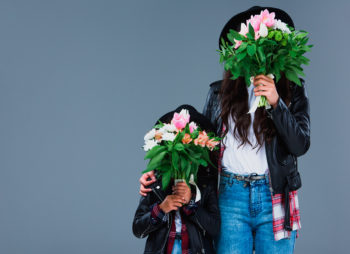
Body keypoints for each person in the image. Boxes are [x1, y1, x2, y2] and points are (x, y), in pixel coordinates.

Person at [139, 6, 310, 254]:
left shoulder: (293, 90)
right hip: (230, 197)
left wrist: (276, 103)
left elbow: (299, 145)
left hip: (274, 194)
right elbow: (197, 144)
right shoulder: (220, 93)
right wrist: (155, 176)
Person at [133, 104, 221, 254]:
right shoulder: (156, 182)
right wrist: (161, 209)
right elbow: (138, 229)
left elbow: (214, 227)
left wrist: (191, 203)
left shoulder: (205, 184)